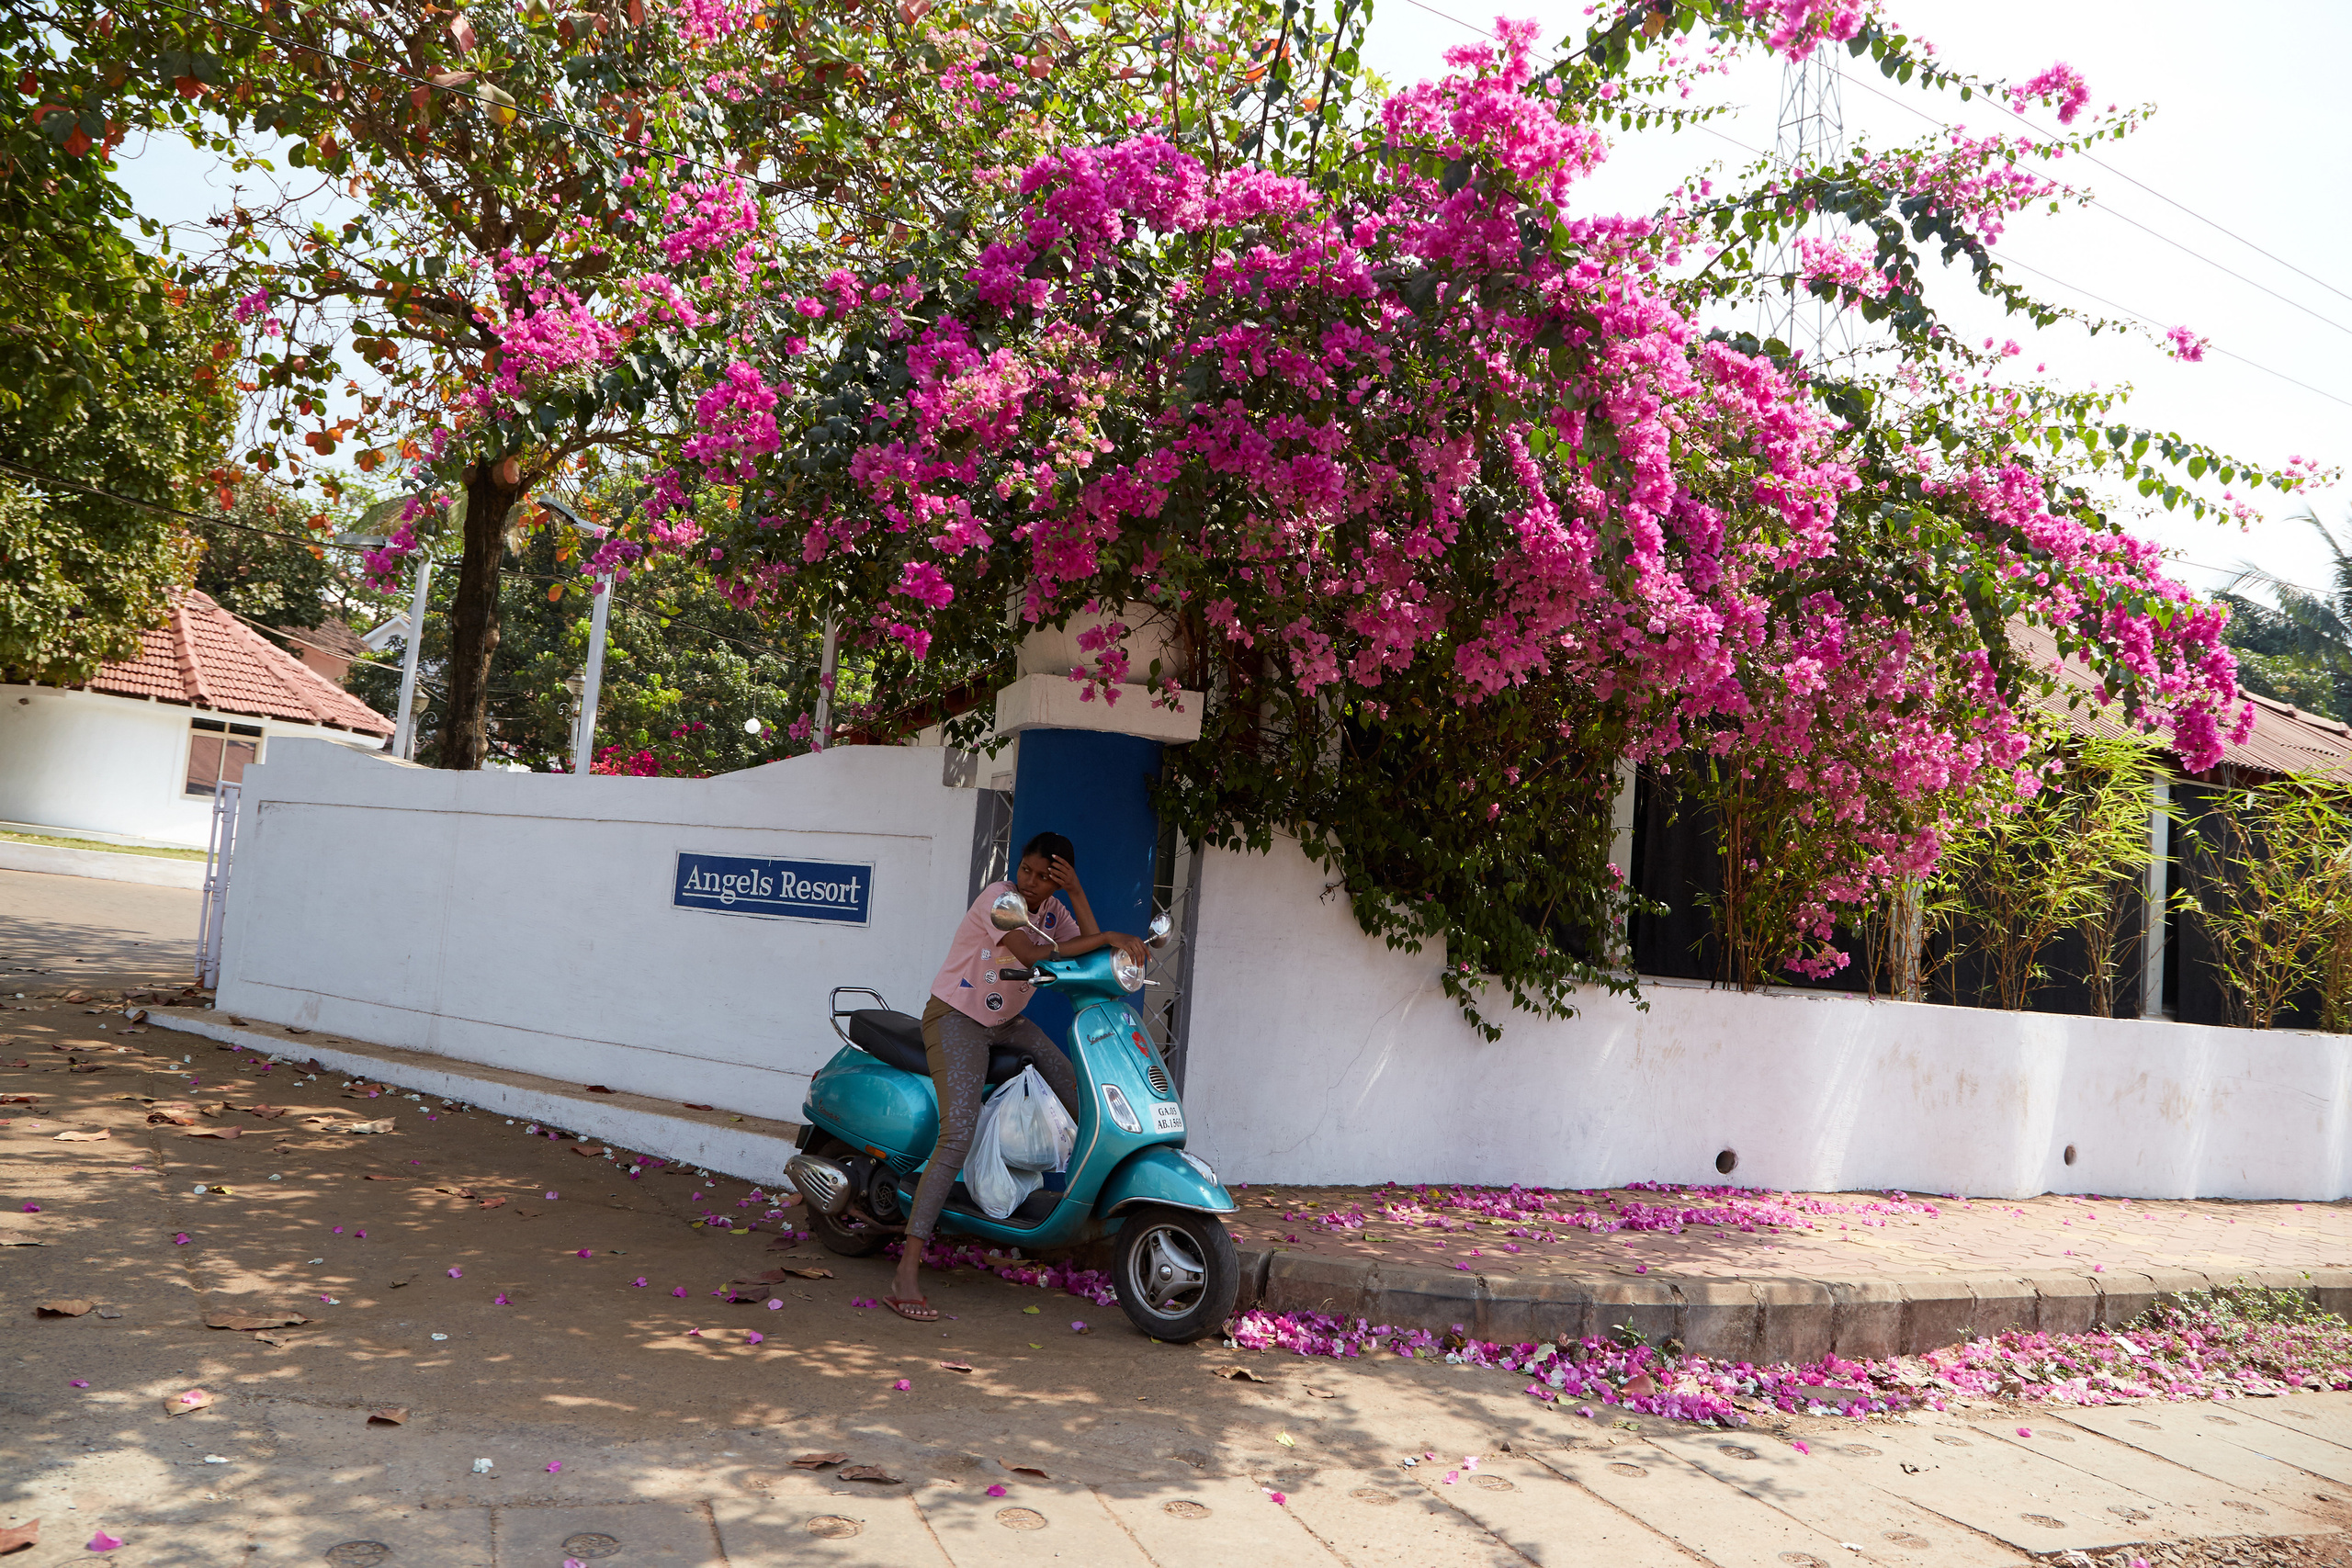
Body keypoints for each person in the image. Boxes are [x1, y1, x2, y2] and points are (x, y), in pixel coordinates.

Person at [883, 831, 1148, 1323]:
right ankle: (906, 1271)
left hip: (1006, 1023)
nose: (1031, 881)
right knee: (958, 1134)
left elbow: (1089, 958)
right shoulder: (1000, 899)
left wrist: (1077, 893)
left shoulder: (1054, 912)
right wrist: (1109, 936)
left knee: (1081, 1096)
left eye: (1045, 876)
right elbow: (1029, 955)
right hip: (957, 1018)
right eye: (1027, 869)